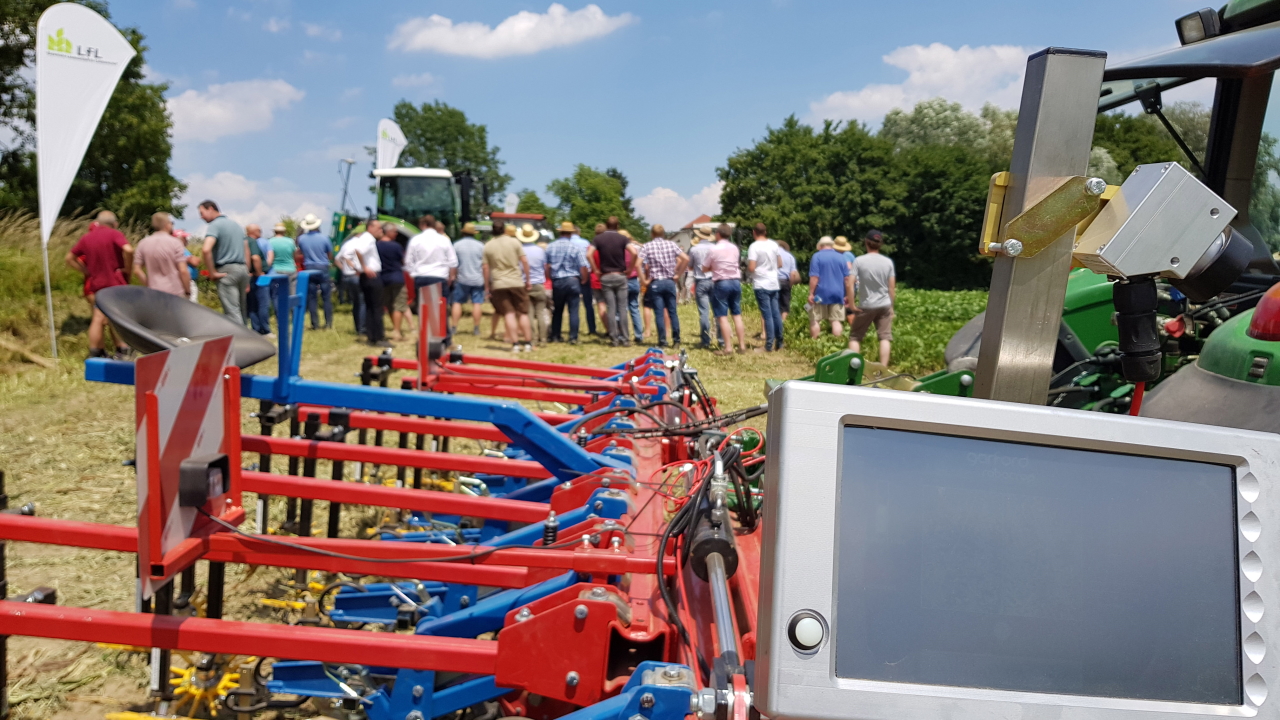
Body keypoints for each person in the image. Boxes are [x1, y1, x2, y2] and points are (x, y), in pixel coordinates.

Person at [66, 210, 133, 359]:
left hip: (97, 283)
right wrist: (128, 268)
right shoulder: (114, 234)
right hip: (115, 282)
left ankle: (96, 351)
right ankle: (123, 349)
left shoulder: (87, 238)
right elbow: (129, 250)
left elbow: (69, 258)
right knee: (117, 316)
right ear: (114, 223)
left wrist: (86, 270)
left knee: (97, 317)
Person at [482, 219, 534, 352]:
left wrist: (487, 286)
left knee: (509, 314)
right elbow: (524, 261)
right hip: (516, 281)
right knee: (522, 313)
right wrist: (528, 279)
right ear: (504, 229)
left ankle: (515, 344)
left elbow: (486, 268)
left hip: (499, 283)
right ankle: (528, 343)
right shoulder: (514, 242)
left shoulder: (488, 246)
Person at [848, 229, 897, 365]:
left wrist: (852, 304)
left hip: (866, 305)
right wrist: (892, 307)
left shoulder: (859, 261)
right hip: (884, 304)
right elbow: (891, 287)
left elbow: (850, 283)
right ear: (880, 244)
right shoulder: (888, 262)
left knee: (855, 337)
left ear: (866, 242)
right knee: (884, 337)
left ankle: (854, 367)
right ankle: (883, 369)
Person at [198, 200, 250, 325]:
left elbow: (206, 250)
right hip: (242, 269)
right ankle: (249, 338)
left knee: (232, 312)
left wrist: (212, 273)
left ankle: (240, 341)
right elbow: (246, 250)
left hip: (226, 270)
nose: (201, 217)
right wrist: (247, 271)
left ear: (210, 208)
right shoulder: (236, 225)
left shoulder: (215, 225)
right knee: (242, 310)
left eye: (202, 213)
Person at [589, 217, 635, 346]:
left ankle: (614, 338)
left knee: (611, 308)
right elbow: (634, 252)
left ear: (606, 225)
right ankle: (625, 338)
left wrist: (595, 269)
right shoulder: (622, 238)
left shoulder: (598, 239)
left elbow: (589, 254)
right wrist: (630, 269)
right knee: (622, 308)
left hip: (606, 276)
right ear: (617, 225)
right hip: (620, 275)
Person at [639, 224, 687, 348]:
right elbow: (685, 258)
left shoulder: (647, 246)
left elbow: (637, 263)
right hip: (670, 281)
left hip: (655, 282)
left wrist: (644, 279)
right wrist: (678, 274)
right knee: (673, 312)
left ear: (652, 234)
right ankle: (676, 340)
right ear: (664, 234)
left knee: (659, 313)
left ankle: (662, 341)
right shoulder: (671, 244)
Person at [703, 224, 748, 354]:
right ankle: (742, 345)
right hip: (735, 281)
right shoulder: (735, 248)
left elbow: (705, 268)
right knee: (737, 315)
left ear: (718, 234)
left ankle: (728, 347)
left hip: (722, 282)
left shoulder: (714, 249)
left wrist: (714, 268)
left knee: (722, 316)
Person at [405, 214, 457, 324]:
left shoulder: (416, 239)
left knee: (424, 307)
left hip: (422, 276)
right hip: (439, 276)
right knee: (440, 307)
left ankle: (424, 336)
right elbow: (453, 261)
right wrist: (451, 276)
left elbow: (408, 261)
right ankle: (443, 337)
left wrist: (413, 274)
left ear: (423, 225)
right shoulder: (443, 240)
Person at [346, 220, 390, 347]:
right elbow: (359, 251)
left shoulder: (363, 238)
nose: (381, 231)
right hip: (372, 276)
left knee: (371, 307)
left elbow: (351, 253)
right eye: (379, 228)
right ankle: (378, 336)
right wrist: (364, 267)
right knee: (377, 307)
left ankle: (372, 336)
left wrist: (358, 268)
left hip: (366, 276)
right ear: (370, 227)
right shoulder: (369, 239)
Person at [545, 221, 589, 344]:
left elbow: (547, 266)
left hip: (557, 280)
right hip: (573, 280)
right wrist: (584, 278)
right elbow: (583, 265)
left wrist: (549, 278)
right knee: (574, 310)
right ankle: (573, 337)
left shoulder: (550, 246)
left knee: (557, 310)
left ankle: (555, 335)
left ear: (560, 232)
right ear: (571, 233)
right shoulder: (575, 247)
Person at [132, 212, 191, 298]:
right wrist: (187, 291)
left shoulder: (143, 243)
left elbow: (137, 270)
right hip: (175, 292)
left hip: (154, 292)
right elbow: (183, 271)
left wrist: (148, 284)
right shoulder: (175, 243)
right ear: (167, 225)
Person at [746, 222, 784, 352]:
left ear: (754, 233)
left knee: (767, 315)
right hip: (774, 282)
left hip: (761, 283)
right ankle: (780, 342)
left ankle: (768, 345)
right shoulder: (774, 244)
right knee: (776, 314)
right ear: (765, 232)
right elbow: (780, 263)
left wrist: (750, 269)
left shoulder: (754, 246)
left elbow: (751, 267)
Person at [807, 236, 853, 339]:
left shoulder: (816, 256)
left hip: (820, 293)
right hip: (838, 293)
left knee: (815, 319)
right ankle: (836, 343)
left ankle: (814, 342)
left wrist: (811, 293)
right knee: (835, 320)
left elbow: (814, 277)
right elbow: (847, 279)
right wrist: (847, 295)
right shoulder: (841, 257)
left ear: (820, 246)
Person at [296, 213, 334, 330]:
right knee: (326, 297)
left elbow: (300, 252)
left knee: (312, 297)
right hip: (322, 268)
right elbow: (330, 254)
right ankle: (328, 323)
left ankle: (315, 323)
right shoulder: (324, 238)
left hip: (309, 268)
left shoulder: (301, 239)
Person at [450, 222, 486, 335]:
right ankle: (476, 328)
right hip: (477, 279)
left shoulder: (456, 245)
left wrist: (453, 277)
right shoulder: (481, 246)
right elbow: (484, 264)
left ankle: (454, 327)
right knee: (477, 303)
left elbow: (453, 264)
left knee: (457, 302)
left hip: (462, 278)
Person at [517, 224, 550, 344]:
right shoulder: (540, 250)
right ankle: (544, 338)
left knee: (529, 313)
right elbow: (545, 267)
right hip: (539, 283)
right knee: (541, 312)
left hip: (524, 283)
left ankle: (533, 338)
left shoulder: (519, 250)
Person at [687, 227, 718, 349]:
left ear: (699, 236)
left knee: (704, 312)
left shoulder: (694, 249)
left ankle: (705, 340)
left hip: (701, 281)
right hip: (714, 280)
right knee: (717, 311)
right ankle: (720, 337)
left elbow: (689, 267)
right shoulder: (715, 248)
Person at [377, 223, 408, 341]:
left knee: (389, 305)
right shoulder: (396, 246)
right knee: (399, 305)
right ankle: (396, 331)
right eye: (394, 231)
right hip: (397, 278)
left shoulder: (377, 245)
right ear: (388, 232)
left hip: (383, 279)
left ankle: (395, 328)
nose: (396, 234)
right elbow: (403, 261)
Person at [568, 225, 598, 337]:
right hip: (586, 272)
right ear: (579, 233)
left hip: (571, 275)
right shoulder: (585, 243)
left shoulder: (567, 243)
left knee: (572, 306)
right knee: (588, 303)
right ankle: (592, 328)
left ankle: (572, 330)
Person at [243, 223, 271, 334]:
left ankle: (256, 329)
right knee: (263, 303)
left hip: (248, 277)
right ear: (252, 232)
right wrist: (260, 273)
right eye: (259, 230)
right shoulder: (252, 241)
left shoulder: (244, 241)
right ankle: (265, 329)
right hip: (257, 276)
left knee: (252, 305)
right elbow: (255, 257)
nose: (261, 232)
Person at [620, 229, 644, 344]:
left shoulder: (618, 251)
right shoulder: (635, 249)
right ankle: (639, 334)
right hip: (634, 279)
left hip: (623, 279)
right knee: (634, 308)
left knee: (622, 309)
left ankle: (624, 335)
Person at [776, 240, 800, 327]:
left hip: (773, 281)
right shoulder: (790, 256)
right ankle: (783, 323)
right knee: (785, 305)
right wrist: (790, 285)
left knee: (775, 303)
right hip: (785, 281)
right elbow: (793, 274)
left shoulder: (772, 255)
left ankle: (775, 325)